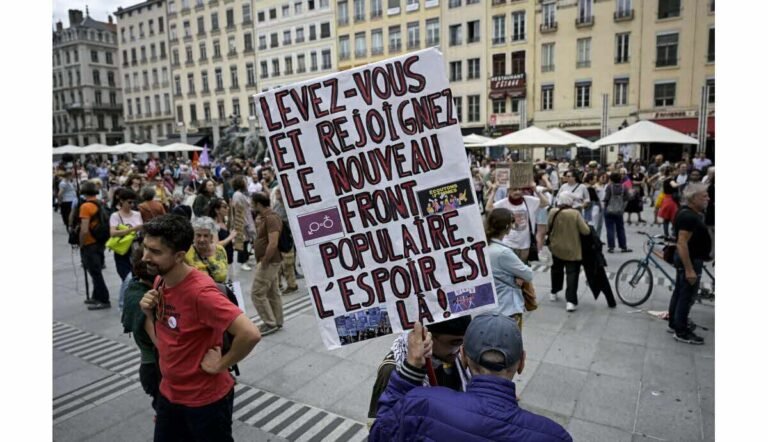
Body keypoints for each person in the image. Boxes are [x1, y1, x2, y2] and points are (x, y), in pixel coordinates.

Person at [139, 214, 261, 441]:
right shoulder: (161, 280)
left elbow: (250, 333)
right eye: (145, 248)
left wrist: (222, 364)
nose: (146, 257)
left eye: (155, 252)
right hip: (169, 394)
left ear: (179, 256)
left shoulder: (201, 293)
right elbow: (168, 338)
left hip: (205, 402)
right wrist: (149, 313)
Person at [370, 315, 572, 442]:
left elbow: (384, 431)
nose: (456, 351)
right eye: (454, 343)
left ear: (465, 357)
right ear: (521, 362)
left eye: (460, 345)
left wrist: (408, 375)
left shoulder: (421, 403)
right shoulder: (556, 436)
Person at [367, 316, 472, 426]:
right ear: (426, 337)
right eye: (455, 343)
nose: (460, 349)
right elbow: (381, 428)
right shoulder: (392, 371)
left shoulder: (456, 357)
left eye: (465, 341)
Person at [668, 183, 711, 345]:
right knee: (686, 296)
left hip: (691, 259)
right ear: (693, 199)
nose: (708, 198)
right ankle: (681, 331)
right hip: (690, 261)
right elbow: (682, 243)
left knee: (680, 292)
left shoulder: (689, 213)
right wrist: (689, 270)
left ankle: (675, 323)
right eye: (704, 196)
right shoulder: (688, 216)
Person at [121, 244, 161, 413]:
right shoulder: (142, 298)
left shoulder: (135, 286)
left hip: (153, 367)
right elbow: (160, 343)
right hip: (155, 369)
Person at [486, 208, 534, 330]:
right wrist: (519, 273)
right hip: (507, 307)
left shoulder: (484, 246)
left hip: (489, 306)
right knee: (511, 344)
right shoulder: (503, 252)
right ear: (508, 226)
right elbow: (528, 274)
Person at [486, 178, 548, 263]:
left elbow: (545, 203)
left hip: (525, 244)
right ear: (508, 191)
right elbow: (489, 208)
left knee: (523, 267)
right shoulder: (503, 203)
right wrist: (494, 190)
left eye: (520, 189)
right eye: (514, 189)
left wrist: (536, 190)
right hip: (508, 243)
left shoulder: (529, 201)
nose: (518, 192)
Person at [547, 191, 591, 312]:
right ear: (571, 201)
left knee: (556, 269)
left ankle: (554, 292)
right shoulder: (575, 214)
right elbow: (586, 231)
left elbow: (547, 227)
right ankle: (570, 301)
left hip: (556, 247)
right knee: (572, 274)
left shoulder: (553, 211)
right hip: (572, 249)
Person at [250, 192, 284, 336]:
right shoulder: (265, 218)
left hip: (269, 261)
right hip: (269, 260)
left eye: (252, 203)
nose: (251, 205)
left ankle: (269, 323)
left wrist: (264, 261)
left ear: (258, 204)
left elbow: (273, 242)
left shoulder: (271, 218)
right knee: (272, 291)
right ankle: (277, 320)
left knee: (257, 293)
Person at [78, 181, 112, 310]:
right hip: (99, 241)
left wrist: (81, 243)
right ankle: (96, 296)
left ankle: (104, 299)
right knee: (95, 270)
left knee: (95, 272)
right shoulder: (99, 203)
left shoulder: (85, 206)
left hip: (90, 243)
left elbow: (84, 229)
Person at [110, 188, 144, 281]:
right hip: (123, 248)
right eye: (129, 202)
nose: (132, 205)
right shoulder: (115, 216)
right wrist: (133, 229)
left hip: (136, 246)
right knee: (126, 277)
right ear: (121, 201)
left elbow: (141, 230)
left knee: (137, 273)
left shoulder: (137, 214)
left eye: (133, 202)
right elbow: (113, 233)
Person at [185, 216, 230, 283]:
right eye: (198, 235)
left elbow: (225, 273)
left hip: (219, 291)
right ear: (193, 236)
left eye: (206, 236)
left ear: (211, 237)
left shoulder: (220, 250)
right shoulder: (186, 253)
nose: (202, 239)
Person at [603, 172, 632, 253]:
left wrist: (605, 206)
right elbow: (628, 198)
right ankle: (623, 246)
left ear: (611, 179)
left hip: (609, 210)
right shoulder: (624, 187)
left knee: (610, 228)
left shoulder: (609, 187)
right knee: (620, 228)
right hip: (619, 211)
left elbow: (606, 199)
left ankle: (611, 247)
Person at [231, 176, 255, 271]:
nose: (247, 183)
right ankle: (242, 262)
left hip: (246, 220)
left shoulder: (241, 194)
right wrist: (245, 223)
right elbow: (239, 210)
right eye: (245, 181)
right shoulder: (237, 195)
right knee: (242, 243)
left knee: (246, 242)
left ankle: (246, 259)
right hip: (242, 222)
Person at [208, 198, 237, 267]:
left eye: (227, 206)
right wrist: (231, 237)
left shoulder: (223, 221)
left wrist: (232, 241)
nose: (228, 208)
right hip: (220, 262)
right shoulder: (213, 224)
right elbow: (216, 245)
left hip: (228, 259)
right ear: (217, 210)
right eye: (224, 207)